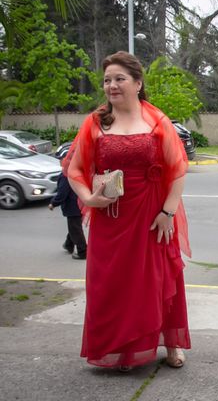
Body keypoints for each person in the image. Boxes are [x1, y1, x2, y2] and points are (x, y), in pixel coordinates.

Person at [63, 51, 191, 371]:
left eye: (120, 79)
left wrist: (168, 212)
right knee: (112, 283)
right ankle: (123, 349)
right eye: (107, 80)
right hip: (111, 216)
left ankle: (171, 343)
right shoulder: (95, 122)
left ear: (137, 83)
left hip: (151, 213)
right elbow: (75, 169)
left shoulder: (156, 120)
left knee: (157, 278)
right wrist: (87, 199)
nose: (112, 85)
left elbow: (177, 169)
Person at [49, 158, 87, 260]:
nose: (60, 161)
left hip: (72, 205)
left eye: (61, 159)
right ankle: (68, 244)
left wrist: (53, 203)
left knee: (75, 228)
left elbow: (62, 193)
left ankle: (82, 251)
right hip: (80, 202)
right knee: (74, 226)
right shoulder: (77, 171)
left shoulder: (65, 175)